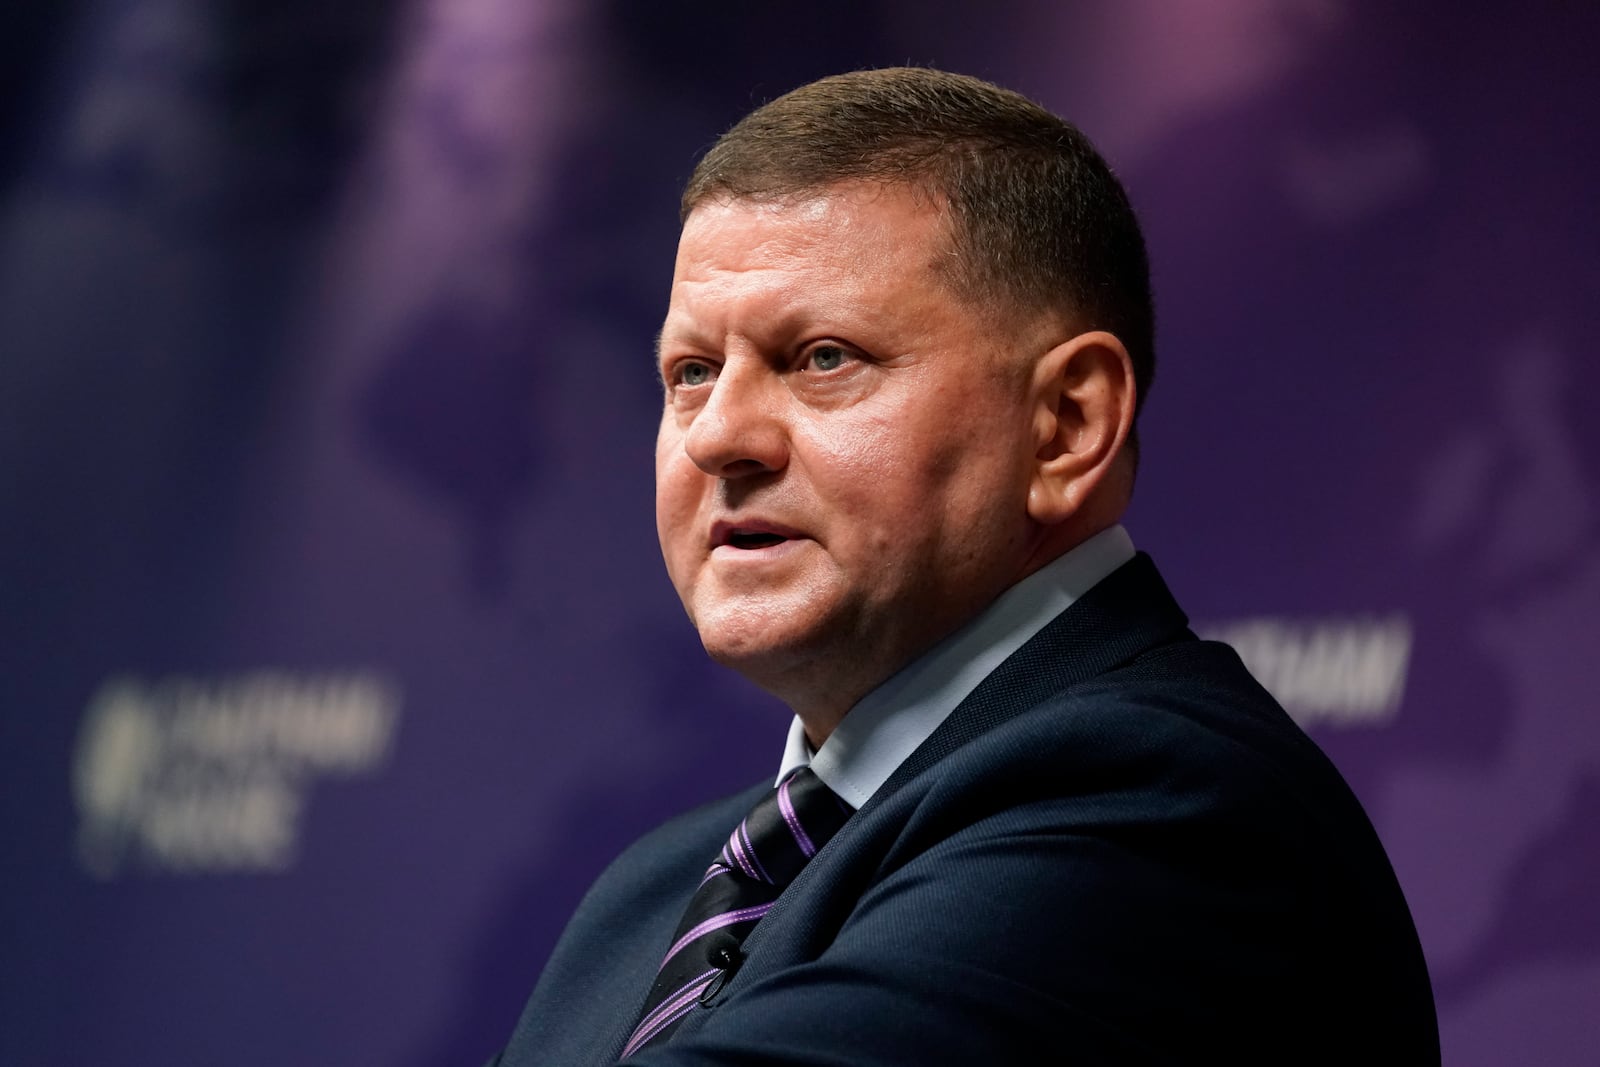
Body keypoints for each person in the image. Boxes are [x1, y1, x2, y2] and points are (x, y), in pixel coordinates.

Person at [490, 67, 1439, 1064]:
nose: (718, 433)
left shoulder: (1169, 815)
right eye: (692, 372)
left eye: (821, 357)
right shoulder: (655, 888)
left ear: (1066, 424)